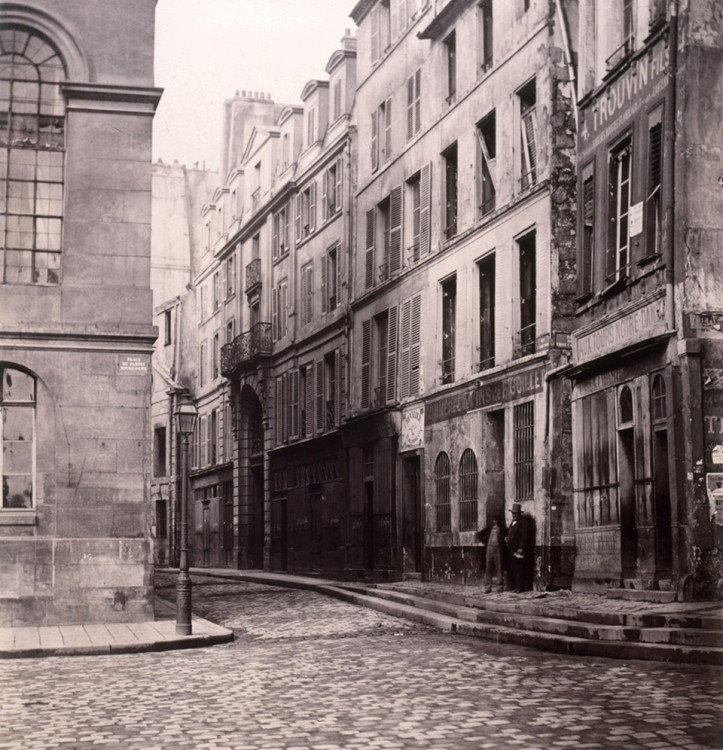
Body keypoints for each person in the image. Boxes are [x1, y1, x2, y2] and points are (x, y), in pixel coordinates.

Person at [506, 502, 535, 592]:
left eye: (516, 513)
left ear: (519, 514)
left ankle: (520, 587)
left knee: (519, 568)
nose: (514, 515)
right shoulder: (512, 523)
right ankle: (516, 586)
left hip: (518, 549)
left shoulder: (523, 523)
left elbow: (524, 536)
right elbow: (511, 534)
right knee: (513, 568)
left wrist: (521, 548)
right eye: (513, 513)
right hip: (511, 549)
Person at [476, 516, 507, 593]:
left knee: (499, 567)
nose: (494, 521)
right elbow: (479, 535)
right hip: (489, 549)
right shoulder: (489, 528)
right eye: (493, 520)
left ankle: (499, 587)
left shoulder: (502, 529)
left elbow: (507, 535)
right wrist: (485, 541)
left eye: (496, 520)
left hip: (498, 548)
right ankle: (487, 587)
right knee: (488, 568)